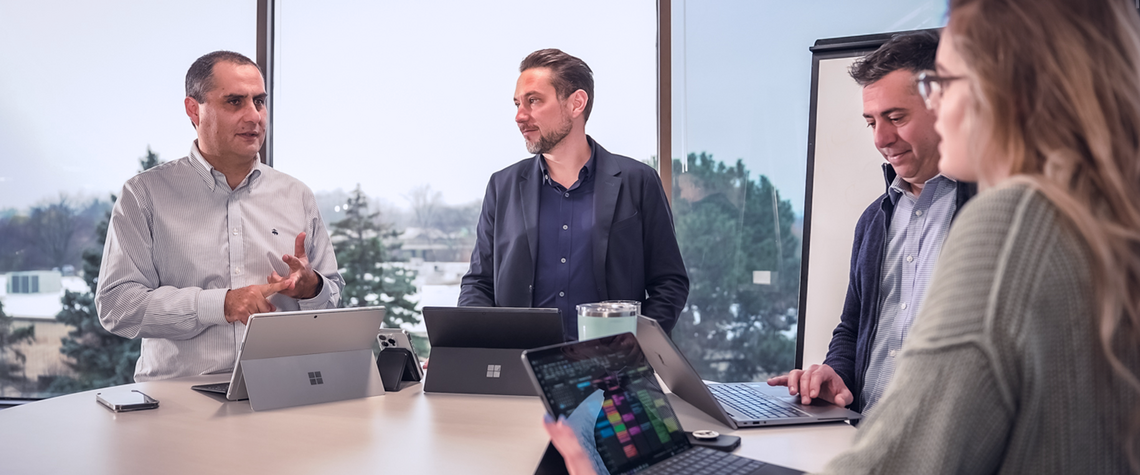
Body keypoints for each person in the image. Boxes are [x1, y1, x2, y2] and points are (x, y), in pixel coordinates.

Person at [97, 51, 344, 382]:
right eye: (234, 102)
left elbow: (333, 301)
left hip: (281, 392)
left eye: (259, 101)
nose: (254, 116)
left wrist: (312, 289)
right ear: (193, 109)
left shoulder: (296, 195)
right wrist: (222, 304)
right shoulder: (144, 195)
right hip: (179, 401)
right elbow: (117, 306)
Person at [767, 31, 976, 414]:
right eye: (871, 122)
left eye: (896, 117)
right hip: (863, 434)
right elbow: (851, 327)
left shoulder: (990, 212)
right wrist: (835, 372)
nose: (882, 138)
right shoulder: (873, 220)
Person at [458, 49, 689, 339]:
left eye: (533, 101)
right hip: (521, 370)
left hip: (612, 373)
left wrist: (638, 343)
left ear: (576, 103)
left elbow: (670, 282)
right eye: (517, 103)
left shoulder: (638, 181)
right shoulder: (501, 185)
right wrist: (463, 343)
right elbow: (479, 283)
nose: (519, 116)